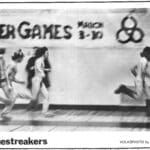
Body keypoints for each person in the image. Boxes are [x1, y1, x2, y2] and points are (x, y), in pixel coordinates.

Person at [115, 46, 150, 115]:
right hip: (141, 81)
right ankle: (124, 89)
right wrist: (144, 78)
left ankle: (148, 111)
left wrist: (138, 76)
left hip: (140, 79)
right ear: (147, 54)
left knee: (148, 95)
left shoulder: (141, 60)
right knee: (138, 96)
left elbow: (132, 69)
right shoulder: (144, 61)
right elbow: (143, 72)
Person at [0, 49, 32, 118]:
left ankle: (3, 114)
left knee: (13, 98)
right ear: (19, 58)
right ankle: (3, 114)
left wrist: (19, 81)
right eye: (22, 58)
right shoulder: (12, 64)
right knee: (13, 97)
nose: (22, 60)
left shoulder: (14, 64)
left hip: (7, 83)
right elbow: (6, 74)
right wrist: (8, 85)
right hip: (5, 83)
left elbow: (11, 77)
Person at [26, 47, 52, 117]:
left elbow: (40, 68)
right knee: (34, 98)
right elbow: (37, 67)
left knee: (47, 96)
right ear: (43, 53)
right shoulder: (39, 60)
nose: (47, 54)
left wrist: (42, 70)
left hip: (40, 81)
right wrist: (42, 72)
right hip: (36, 81)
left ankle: (44, 112)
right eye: (47, 53)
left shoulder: (43, 60)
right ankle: (17, 96)